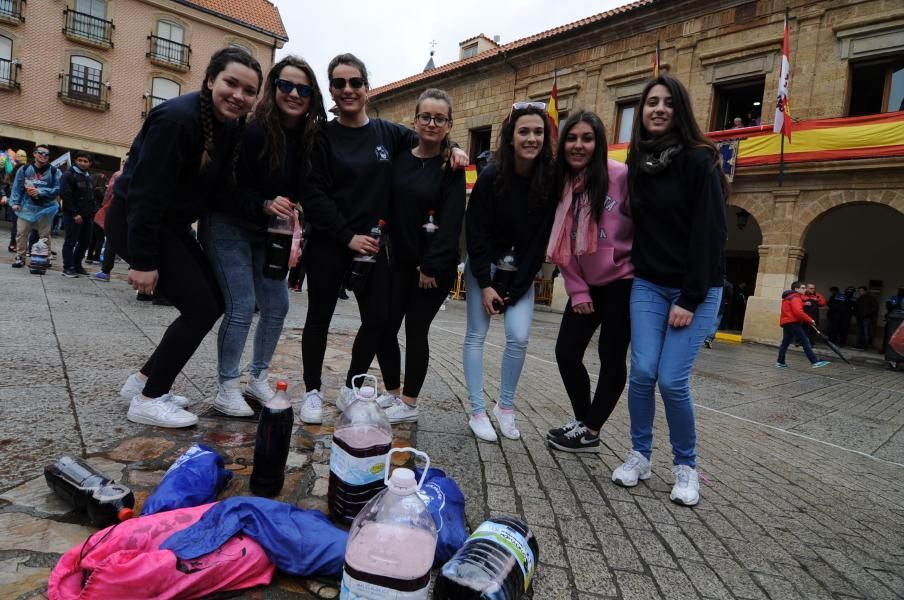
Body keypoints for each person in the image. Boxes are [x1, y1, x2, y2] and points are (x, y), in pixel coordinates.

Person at [105, 47, 262, 428]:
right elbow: (145, 192)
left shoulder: (231, 127)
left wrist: (265, 205)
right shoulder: (177, 120)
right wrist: (143, 262)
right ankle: (149, 399)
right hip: (136, 220)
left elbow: (219, 189)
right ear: (210, 80)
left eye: (249, 90)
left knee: (213, 298)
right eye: (231, 83)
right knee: (201, 308)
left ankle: (142, 381)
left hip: (171, 225)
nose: (238, 95)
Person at [301, 53, 466, 415]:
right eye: (340, 83)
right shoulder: (321, 137)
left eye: (355, 82)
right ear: (330, 90)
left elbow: (430, 137)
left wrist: (455, 149)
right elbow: (313, 195)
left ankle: (351, 386)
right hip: (332, 242)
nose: (348, 89)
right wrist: (347, 236)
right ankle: (312, 391)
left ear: (366, 87)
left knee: (377, 322)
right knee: (318, 318)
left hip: (373, 249)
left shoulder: (387, 132)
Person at [611, 75, 727, 507]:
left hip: (696, 288)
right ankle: (640, 456)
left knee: (672, 381)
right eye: (650, 103)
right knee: (641, 372)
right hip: (649, 283)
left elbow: (710, 233)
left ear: (680, 110)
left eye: (667, 103)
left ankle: (686, 467)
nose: (658, 109)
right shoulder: (638, 162)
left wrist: (690, 298)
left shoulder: (700, 160)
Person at [201, 55, 326, 420]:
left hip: (266, 231)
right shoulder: (251, 129)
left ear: (311, 95)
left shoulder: (308, 136)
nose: (293, 93)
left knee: (277, 306)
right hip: (227, 224)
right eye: (285, 85)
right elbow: (221, 189)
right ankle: (227, 386)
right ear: (273, 88)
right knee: (241, 306)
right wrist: (265, 202)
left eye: (303, 89)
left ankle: (257, 377)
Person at [358, 88, 466, 424]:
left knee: (416, 331)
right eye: (426, 117)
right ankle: (392, 393)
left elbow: (451, 221)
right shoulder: (401, 156)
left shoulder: (451, 166)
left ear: (448, 125)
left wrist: (431, 265)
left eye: (439, 119)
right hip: (399, 262)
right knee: (385, 327)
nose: (431, 123)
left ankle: (411, 401)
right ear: (415, 120)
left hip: (432, 268)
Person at [463, 102, 556, 442]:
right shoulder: (491, 177)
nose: (531, 138)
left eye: (538, 132)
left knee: (518, 336)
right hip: (484, 266)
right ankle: (476, 410)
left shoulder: (549, 180)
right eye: (524, 132)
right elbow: (475, 233)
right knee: (477, 334)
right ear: (511, 137)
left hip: (521, 270)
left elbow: (539, 242)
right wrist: (486, 285)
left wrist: (516, 289)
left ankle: (505, 407)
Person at [544, 110, 633, 453]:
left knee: (611, 357)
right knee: (566, 352)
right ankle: (584, 422)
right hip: (585, 284)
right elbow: (562, 244)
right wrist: (578, 290)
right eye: (571, 138)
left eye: (586, 138)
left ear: (598, 142)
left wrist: (628, 264)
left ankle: (591, 430)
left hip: (622, 282)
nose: (578, 145)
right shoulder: (561, 183)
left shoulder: (620, 175)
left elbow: (643, 228)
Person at [8, 144, 62, 269]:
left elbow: (58, 188)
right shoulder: (24, 169)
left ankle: (45, 258)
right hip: (27, 207)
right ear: (34, 154)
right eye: (40, 152)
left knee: (44, 234)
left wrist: (41, 191)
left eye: (46, 154)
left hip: (47, 207)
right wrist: (15, 203)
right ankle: (20, 257)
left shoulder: (55, 171)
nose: (43, 155)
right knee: (21, 232)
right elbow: (17, 187)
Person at [59, 150, 97, 278]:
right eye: (80, 160)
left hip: (88, 216)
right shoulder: (68, 175)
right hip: (73, 215)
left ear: (89, 163)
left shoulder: (89, 176)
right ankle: (68, 267)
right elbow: (66, 195)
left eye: (85, 161)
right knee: (70, 242)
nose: (82, 163)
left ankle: (77, 265)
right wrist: (75, 214)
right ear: (75, 161)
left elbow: (92, 196)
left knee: (85, 242)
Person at [776, 281, 830, 369]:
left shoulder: (789, 297)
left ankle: (780, 362)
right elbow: (798, 312)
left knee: (785, 343)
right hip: (793, 322)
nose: (805, 289)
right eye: (803, 288)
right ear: (796, 289)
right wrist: (810, 320)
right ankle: (814, 361)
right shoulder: (795, 298)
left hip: (786, 322)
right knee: (805, 340)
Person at [92, 158, 125, 281]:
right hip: (135, 212)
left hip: (117, 209)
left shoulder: (119, 174)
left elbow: (109, 191)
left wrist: (105, 205)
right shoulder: (144, 173)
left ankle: (106, 271)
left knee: (111, 240)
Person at [703, 278, 734, 348]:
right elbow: (730, 294)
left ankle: (702, 337)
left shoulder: (710, 280)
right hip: (720, 306)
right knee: (715, 323)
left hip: (708, 305)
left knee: (706, 321)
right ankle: (709, 338)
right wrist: (726, 301)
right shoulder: (726, 284)